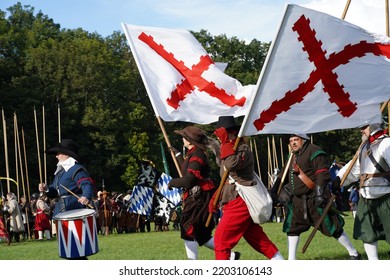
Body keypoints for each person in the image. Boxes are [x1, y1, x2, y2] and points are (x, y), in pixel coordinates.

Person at [272, 134, 360, 260]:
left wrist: (319, 192)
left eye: (296, 140)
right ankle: (292, 260)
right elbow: (283, 175)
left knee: (332, 227)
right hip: (297, 202)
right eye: (291, 141)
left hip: (315, 200)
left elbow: (322, 173)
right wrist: (274, 190)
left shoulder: (315, 151)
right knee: (292, 228)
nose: (293, 143)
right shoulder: (292, 156)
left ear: (304, 140)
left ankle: (354, 253)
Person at [211, 116, 284, 260]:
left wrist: (226, 142)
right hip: (233, 199)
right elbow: (225, 179)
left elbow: (231, 165)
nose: (219, 138)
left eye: (222, 134)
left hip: (241, 200)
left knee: (220, 241)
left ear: (231, 133)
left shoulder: (242, 149)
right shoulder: (227, 149)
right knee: (258, 240)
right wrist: (215, 198)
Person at [168, 125, 239, 260]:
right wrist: (177, 154)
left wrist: (173, 182)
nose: (182, 139)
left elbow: (189, 180)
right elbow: (186, 170)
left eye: (184, 137)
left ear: (189, 140)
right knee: (201, 235)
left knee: (188, 228)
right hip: (199, 196)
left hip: (199, 197)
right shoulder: (194, 153)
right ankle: (232, 256)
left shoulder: (197, 154)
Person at [334, 122, 390, 260]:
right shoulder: (364, 147)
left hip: (386, 195)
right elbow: (353, 168)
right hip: (365, 196)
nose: (361, 130)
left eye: (364, 127)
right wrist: (339, 178)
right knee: (367, 233)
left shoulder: (386, 143)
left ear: (374, 126)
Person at [38, 139, 96, 259]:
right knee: (70, 252)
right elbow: (55, 191)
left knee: (76, 251)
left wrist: (86, 196)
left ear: (67, 154)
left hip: (74, 209)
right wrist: (46, 189)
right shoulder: (60, 173)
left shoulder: (76, 169)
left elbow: (87, 184)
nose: (56, 156)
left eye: (59, 153)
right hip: (62, 210)